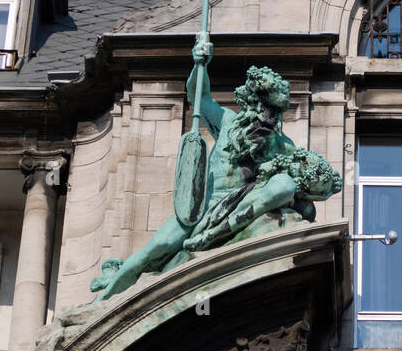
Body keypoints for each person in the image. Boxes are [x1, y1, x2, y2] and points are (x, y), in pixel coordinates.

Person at [90, 41, 341, 301]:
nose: (269, 117)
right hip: (201, 209)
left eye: (275, 112)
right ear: (252, 103)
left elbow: (304, 187)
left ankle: (212, 237)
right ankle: (102, 302)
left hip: (239, 204)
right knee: (155, 250)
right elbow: (199, 95)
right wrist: (200, 63)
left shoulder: (282, 145)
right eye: (265, 109)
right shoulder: (228, 122)